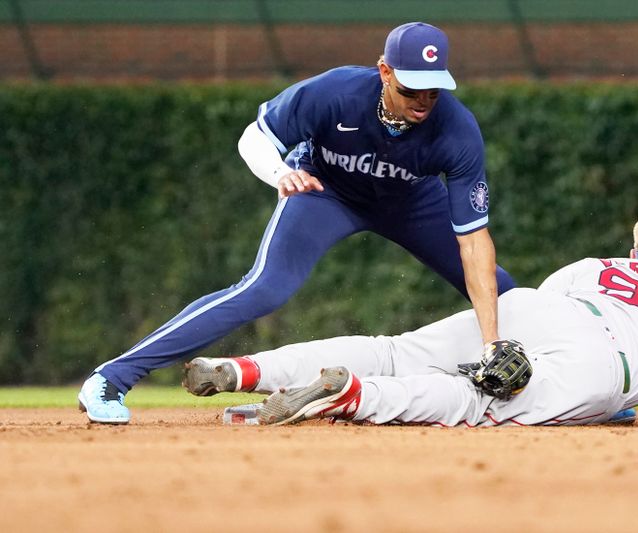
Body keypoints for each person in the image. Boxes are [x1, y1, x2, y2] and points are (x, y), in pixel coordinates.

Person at [78, 22, 517, 424]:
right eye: (411, 89)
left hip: (412, 202)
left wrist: (494, 341)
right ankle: (110, 379)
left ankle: (539, 384)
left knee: (507, 294)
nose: (423, 101)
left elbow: (474, 242)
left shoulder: (457, 130)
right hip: (324, 192)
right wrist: (280, 174)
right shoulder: (335, 93)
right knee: (263, 288)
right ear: (384, 71)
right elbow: (254, 137)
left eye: (433, 92)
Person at [189, 202, 638, 427]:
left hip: (543, 308)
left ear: (635, 251)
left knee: (396, 349)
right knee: (478, 402)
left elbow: (536, 317)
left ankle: (243, 368)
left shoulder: (597, 266)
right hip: (596, 369)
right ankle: (354, 397)